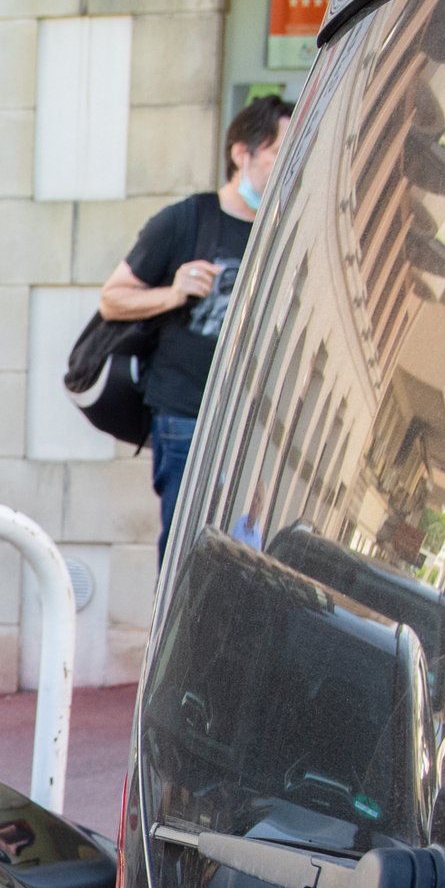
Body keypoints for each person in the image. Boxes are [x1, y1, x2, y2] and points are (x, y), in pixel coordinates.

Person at [98, 93, 292, 558]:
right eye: (278, 154)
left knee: (245, 558)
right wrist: (175, 291)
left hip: (253, 424)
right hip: (187, 415)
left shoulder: (279, 229)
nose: (287, 168)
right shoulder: (186, 220)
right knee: (188, 554)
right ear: (241, 154)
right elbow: (112, 298)